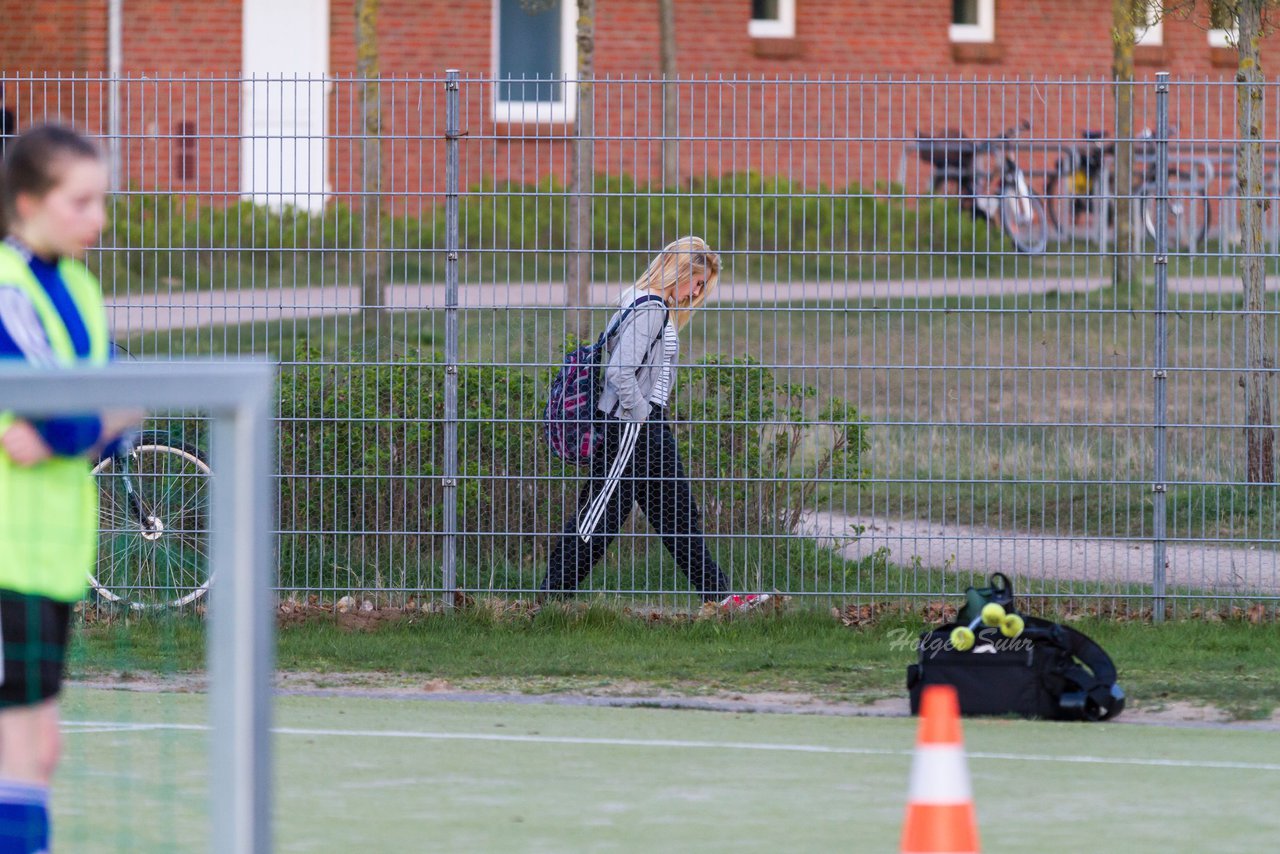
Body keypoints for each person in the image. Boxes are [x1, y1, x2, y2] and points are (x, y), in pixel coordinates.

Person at [0, 124, 139, 853]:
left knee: (36, 748)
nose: (100, 219)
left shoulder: (82, 288)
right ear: (28, 202)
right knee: (21, 747)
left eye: (101, 200)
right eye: (81, 201)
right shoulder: (5, 287)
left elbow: (115, 412)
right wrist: (82, 422)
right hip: (6, 560)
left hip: (52, 558)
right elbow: (66, 411)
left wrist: (76, 426)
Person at [540, 236, 768, 612]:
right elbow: (619, 372)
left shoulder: (640, 301)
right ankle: (549, 600)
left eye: (702, 287)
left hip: (649, 425)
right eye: (696, 283)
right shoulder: (650, 308)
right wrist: (644, 416)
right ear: (678, 271)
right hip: (631, 426)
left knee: (678, 514)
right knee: (599, 516)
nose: (696, 293)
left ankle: (721, 598)